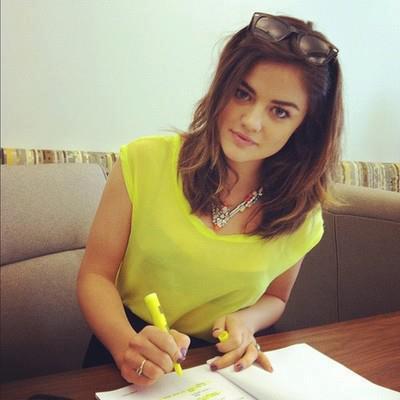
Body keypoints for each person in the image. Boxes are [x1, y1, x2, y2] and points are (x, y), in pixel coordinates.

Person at [77, 11, 343, 387]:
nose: (251, 121)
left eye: (280, 111)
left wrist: (246, 322)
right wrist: (125, 345)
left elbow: (276, 298)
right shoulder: (144, 160)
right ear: (222, 87)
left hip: (221, 366)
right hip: (123, 343)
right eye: (242, 93)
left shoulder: (303, 213)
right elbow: (95, 276)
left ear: (305, 126)